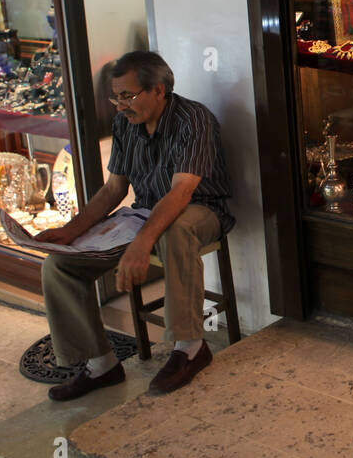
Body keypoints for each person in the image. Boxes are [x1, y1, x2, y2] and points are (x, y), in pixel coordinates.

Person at [34, 51, 234, 400]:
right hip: (142, 213)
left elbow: (182, 191)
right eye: (116, 96)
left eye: (127, 95)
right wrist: (71, 231)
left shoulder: (194, 119)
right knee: (59, 264)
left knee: (175, 230)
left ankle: (189, 348)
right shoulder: (125, 123)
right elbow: (114, 189)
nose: (120, 105)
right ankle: (101, 364)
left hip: (201, 209)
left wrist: (142, 243)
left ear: (158, 90)